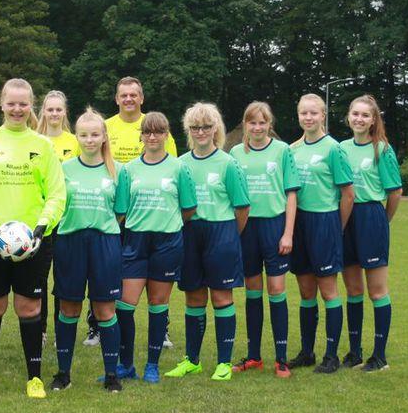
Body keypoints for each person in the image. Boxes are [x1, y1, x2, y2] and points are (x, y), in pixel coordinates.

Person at [0, 78, 66, 400]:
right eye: (11, 103)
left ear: (31, 105)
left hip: (33, 242)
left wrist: (43, 226)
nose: (17, 109)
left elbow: (57, 193)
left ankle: (34, 378)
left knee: (29, 307)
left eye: (23, 104)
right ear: (2, 104)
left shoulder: (43, 145)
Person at [165, 103, 250, 382]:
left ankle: (224, 362)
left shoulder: (228, 163)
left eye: (206, 126)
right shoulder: (180, 164)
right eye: (195, 127)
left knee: (222, 297)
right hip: (190, 233)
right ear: (188, 130)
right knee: (194, 297)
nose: (200, 132)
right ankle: (192, 360)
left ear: (216, 129)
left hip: (221, 233)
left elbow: (242, 207)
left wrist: (229, 237)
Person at [50, 107, 127, 393]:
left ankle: (111, 375)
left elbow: (120, 211)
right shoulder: (64, 169)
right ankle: (63, 374)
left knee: (105, 309)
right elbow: (58, 205)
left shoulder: (119, 170)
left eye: (95, 134)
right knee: (69, 307)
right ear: (76, 137)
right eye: (84, 135)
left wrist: (99, 225)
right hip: (70, 242)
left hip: (105, 243)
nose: (89, 140)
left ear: (104, 136)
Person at [117, 112, 197, 383]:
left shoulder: (179, 168)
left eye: (158, 132)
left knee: (158, 303)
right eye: (147, 132)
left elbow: (189, 208)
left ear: (166, 134)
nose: (152, 137)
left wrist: (167, 222)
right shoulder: (129, 169)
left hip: (167, 242)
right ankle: (126, 364)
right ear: (141, 135)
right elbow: (121, 210)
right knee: (125, 304)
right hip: (135, 240)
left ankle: (152, 365)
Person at [104, 77, 177, 349]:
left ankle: (162, 329)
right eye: (123, 95)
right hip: (112, 210)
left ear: (142, 98)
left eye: (133, 94)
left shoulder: (155, 125)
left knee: (158, 281)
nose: (128, 99)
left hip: (150, 215)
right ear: (116, 98)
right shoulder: (105, 126)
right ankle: (97, 324)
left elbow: (171, 169)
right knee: (108, 271)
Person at [229, 102, 301, 378]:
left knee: (277, 289)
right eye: (252, 122)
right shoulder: (236, 153)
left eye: (262, 122)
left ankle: (281, 359)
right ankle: (254, 356)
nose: (257, 128)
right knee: (252, 291)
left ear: (270, 124)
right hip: (247, 228)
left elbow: (291, 194)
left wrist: (288, 233)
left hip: (274, 226)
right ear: (245, 125)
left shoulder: (282, 151)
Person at [288, 93, 355, 374]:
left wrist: (336, 227)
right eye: (304, 113)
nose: (308, 117)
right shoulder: (292, 149)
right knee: (306, 291)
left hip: (325, 222)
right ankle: (307, 352)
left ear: (323, 115)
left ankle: (331, 355)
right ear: (298, 115)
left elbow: (348, 194)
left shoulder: (334, 149)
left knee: (328, 291)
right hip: (300, 223)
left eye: (313, 113)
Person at [339, 95, 402, 372]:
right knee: (353, 289)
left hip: (371, 218)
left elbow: (395, 192)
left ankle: (379, 356)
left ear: (374, 120)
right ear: (348, 116)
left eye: (365, 115)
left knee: (377, 292)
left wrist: (382, 221)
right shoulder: (340, 148)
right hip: (345, 218)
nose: (359, 119)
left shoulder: (382, 149)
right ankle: (354, 352)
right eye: (355, 114)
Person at [36, 90, 79, 344]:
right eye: (50, 109)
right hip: (40, 217)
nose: (54, 113)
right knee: (39, 277)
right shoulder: (34, 140)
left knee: (63, 277)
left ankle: (61, 330)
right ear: (43, 111)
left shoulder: (74, 141)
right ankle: (39, 330)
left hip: (67, 218)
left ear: (65, 112)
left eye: (58, 109)